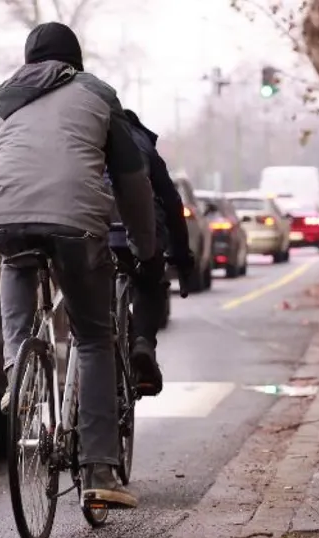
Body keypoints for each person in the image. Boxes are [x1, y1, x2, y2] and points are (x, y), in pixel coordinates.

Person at [0, 21, 156, 509]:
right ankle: (100, 470)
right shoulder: (97, 93)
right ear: (73, 61)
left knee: (15, 259)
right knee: (95, 336)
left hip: (3, 218)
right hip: (74, 224)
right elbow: (132, 180)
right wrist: (144, 244)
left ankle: (16, 368)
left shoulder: (0, 99)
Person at [119, 109, 195, 397]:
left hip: (95, 229)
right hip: (142, 230)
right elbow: (173, 203)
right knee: (150, 282)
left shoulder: (85, 139)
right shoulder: (143, 144)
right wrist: (182, 258)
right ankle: (142, 342)